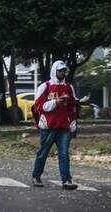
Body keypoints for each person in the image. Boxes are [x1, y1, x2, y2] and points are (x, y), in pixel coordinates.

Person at [32, 60, 78, 190]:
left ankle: (67, 181)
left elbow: (72, 107)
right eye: (60, 70)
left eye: (64, 71)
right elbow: (39, 107)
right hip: (48, 128)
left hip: (64, 128)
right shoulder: (45, 87)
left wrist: (73, 123)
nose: (63, 73)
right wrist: (55, 102)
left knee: (64, 155)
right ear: (54, 71)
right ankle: (36, 176)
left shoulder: (69, 88)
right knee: (43, 153)